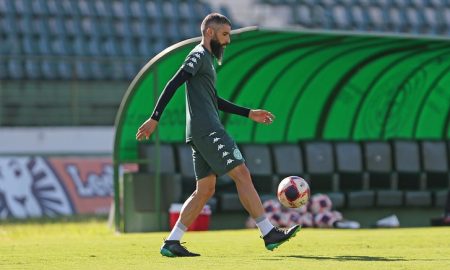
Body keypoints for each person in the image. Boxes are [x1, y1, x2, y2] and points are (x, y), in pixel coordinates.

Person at [136, 13, 301, 257]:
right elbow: (174, 81)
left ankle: (172, 242)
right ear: (210, 33)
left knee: (204, 190)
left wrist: (248, 113)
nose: (228, 41)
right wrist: (155, 117)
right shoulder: (198, 55)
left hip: (200, 132)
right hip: (208, 130)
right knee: (242, 173)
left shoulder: (207, 61)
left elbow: (213, 99)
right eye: (224, 35)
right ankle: (268, 232)